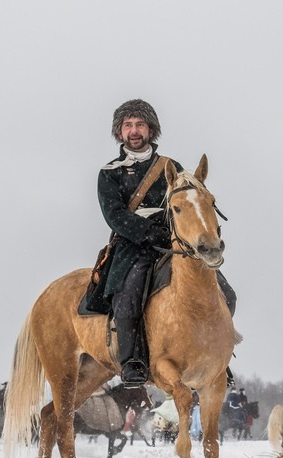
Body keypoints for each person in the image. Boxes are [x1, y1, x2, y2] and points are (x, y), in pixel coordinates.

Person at [92, 98, 237, 386]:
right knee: (128, 297)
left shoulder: (171, 166)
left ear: (151, 129)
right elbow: (115, 216)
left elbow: (188, 201)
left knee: (227, 295)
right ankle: (132, 361)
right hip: (133, 247)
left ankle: (215, 356)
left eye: (140, 125)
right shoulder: (109, 173)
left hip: (177, 245)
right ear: (119, 132)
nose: (134, 131)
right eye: (128, 125)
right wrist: (149, 232)